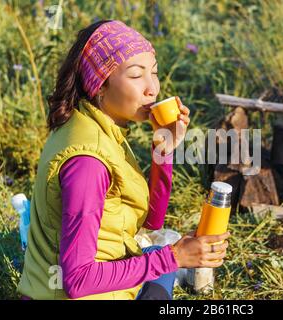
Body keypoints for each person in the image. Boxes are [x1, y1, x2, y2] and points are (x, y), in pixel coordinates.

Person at [17, 19, 230, 300]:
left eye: (153, 73)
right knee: (162, 262)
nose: (152, 88)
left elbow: (151, 222)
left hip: (69, 284)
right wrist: (175, 258)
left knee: (157, 255)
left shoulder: (94, 127)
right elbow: (76, 280)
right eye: (135, 75)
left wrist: (163, 147)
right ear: (100, 85)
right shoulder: (88, 162)